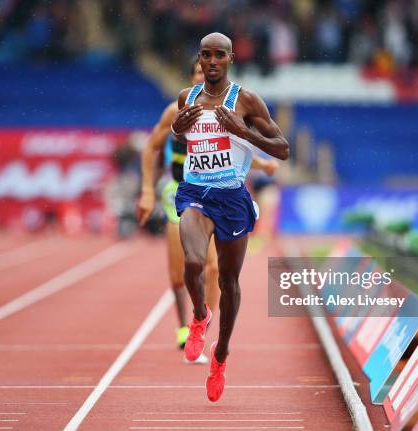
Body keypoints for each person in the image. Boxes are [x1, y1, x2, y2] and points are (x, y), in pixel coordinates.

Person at [171, 32, 289, 402]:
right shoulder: (185, 98)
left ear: (230, 58)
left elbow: (282, 148)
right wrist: (177, 128)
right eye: (205, 55)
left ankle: (221, 353)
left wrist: (242, 131)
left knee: (229, 281)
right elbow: (180, 140)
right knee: (192, 263)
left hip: (232, 199)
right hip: (195, 192)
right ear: (199, 58)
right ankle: (200, 316)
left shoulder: (246, 100)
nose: (211, 62)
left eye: (218, 55)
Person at [136, 57, 278, 360]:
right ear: (190, 79)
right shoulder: (177, 111)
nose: (205, 80)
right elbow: (150, 147)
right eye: (198, 74)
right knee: (182, 271)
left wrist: (262, 163)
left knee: (214, 268)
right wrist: (147, 190)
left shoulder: (227, 110)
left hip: (215, 195)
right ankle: (183, 326)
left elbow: (228, 151)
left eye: (208, 74)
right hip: (180, 190)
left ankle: (202, 327)